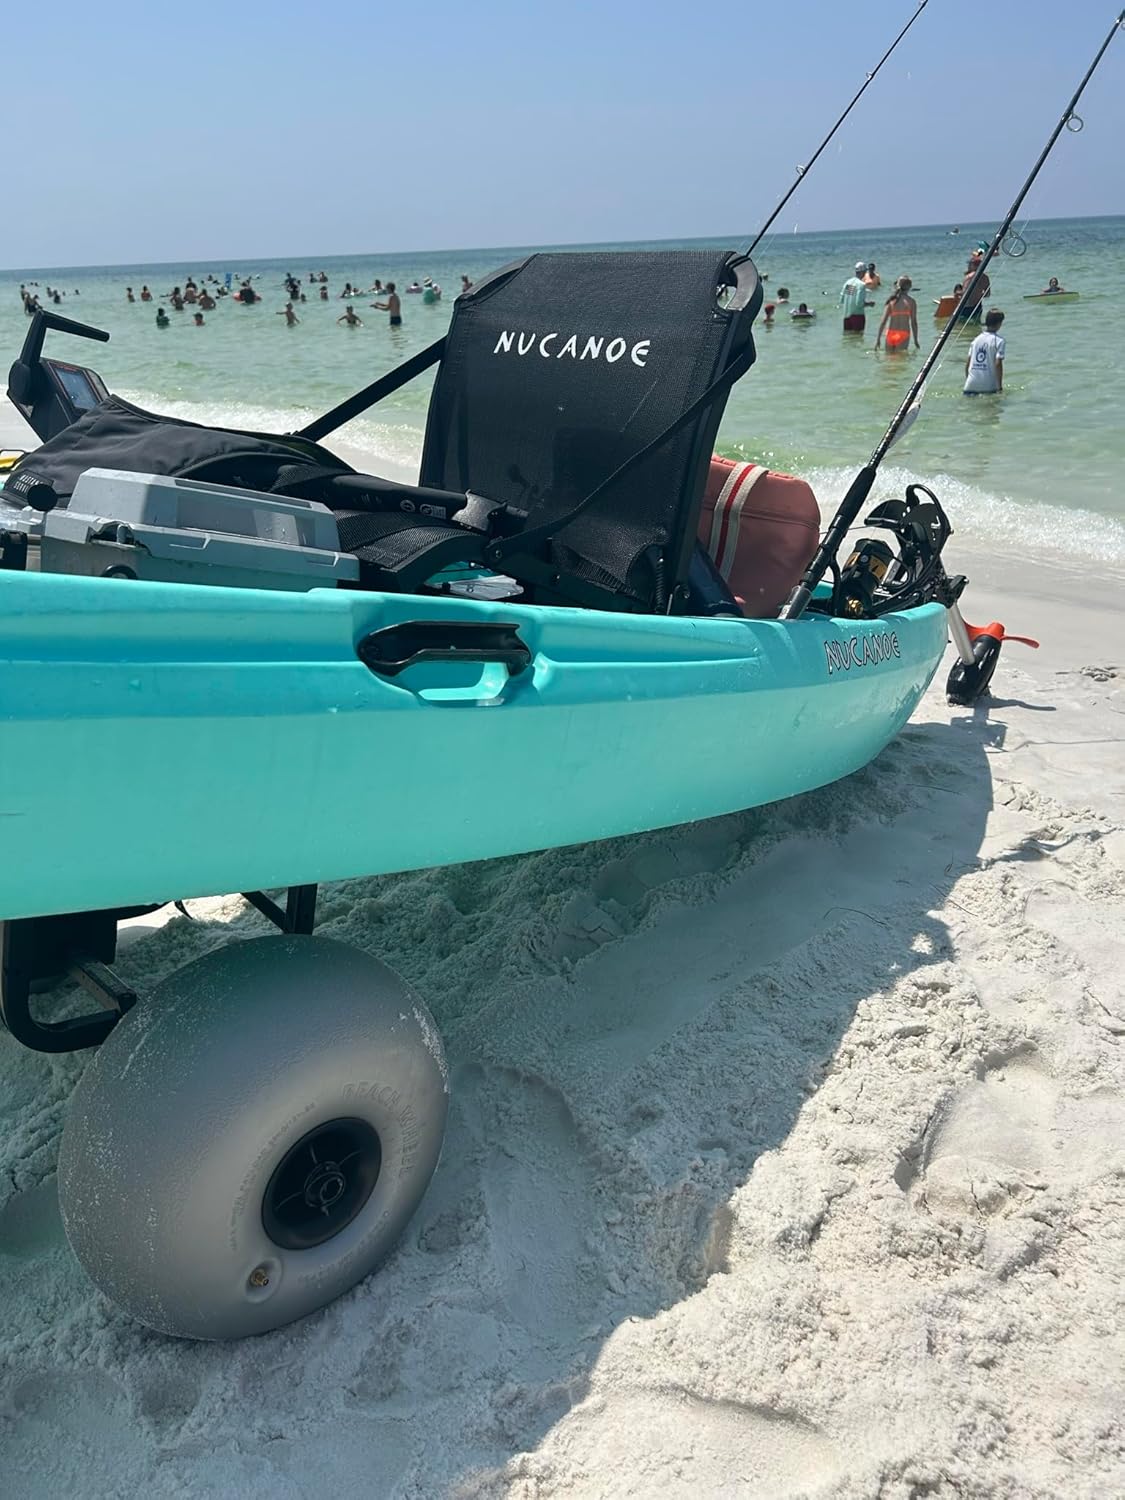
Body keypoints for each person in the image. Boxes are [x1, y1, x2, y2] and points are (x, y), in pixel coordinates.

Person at [963, 309, 1005, 394]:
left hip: (970, 385)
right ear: (999, 324)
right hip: (988, 387)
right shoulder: (999, 341)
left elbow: (968, 363)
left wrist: (968, 379)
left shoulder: (976, 340)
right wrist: (999, 387)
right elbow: (998, 364)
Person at [876, 276, 919, 351]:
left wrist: (878, 339)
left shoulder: (891, 301)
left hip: (890, 334)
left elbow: (883, 321)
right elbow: (914, 322)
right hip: (903, 334)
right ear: (910, 287)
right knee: (900, 358)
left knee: (888, 358)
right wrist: (915, 340)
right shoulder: (911, 302)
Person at [955, 253, 989, 323]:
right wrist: (978, 294)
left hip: (966, 307)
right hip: (977, 307)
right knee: (976, 326)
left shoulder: (969, 277)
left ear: (973, 265)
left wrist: (957, 293)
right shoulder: (986, 277)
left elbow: (965, 293)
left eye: (969, 264)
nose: (968, 266)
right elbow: (987, 294)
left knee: (960, 326)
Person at [839, 262, 868, 333]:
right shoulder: (861, 285)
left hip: (846, 316)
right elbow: (859, 303)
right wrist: (869, 304)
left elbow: (842, 300)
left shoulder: (848, 283)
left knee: (848, 337)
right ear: (863, 272)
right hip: (857, 316)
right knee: (858, 337)